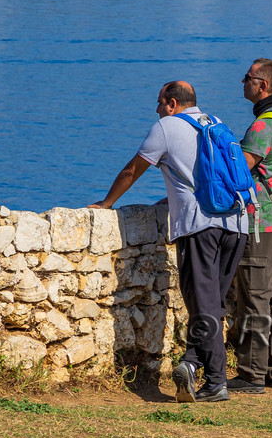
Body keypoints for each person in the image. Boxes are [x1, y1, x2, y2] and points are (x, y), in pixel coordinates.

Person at [90, 81, 248, 403]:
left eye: (160, 103)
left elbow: (133, 170)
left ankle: (216, 382)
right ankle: (191, 364)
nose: (157, 110)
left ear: (172, 103)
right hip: (238, 222)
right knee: (212, 304)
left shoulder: (166, 127)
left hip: (200, 225)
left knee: (203, 304)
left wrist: (106, 203)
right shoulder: (215, 123)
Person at [226, 58, 272, 394]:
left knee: (254, 297)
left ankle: (251, 374)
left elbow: (238, 172)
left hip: (260, 224)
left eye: (248, 78)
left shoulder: (261, 128)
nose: (243, 81)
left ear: (263, 86)